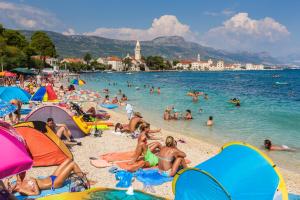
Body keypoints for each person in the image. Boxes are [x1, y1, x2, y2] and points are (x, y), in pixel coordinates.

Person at [12, 159, 95, 196]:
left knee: (68, 160)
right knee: (72, 165)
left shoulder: (18, 181)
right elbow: (36, 193)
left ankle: (79, 173)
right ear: (10, 190)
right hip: (54, 183)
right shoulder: (21, 190)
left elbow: (20, 169)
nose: (9, 185)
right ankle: (86, 181)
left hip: (51, 177)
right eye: (8, 186)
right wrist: (34, 182)